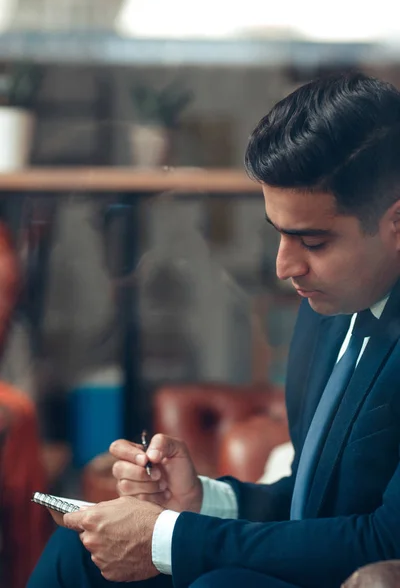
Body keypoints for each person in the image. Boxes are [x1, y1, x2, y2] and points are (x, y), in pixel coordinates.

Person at [28, 71, 400, 588]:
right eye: (278, 234)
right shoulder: (328, 313)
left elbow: (385, 542)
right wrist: (200, 501)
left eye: (312, 242)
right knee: (79, 550)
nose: (284, 266)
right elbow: (312, 504)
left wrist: (165, 539)